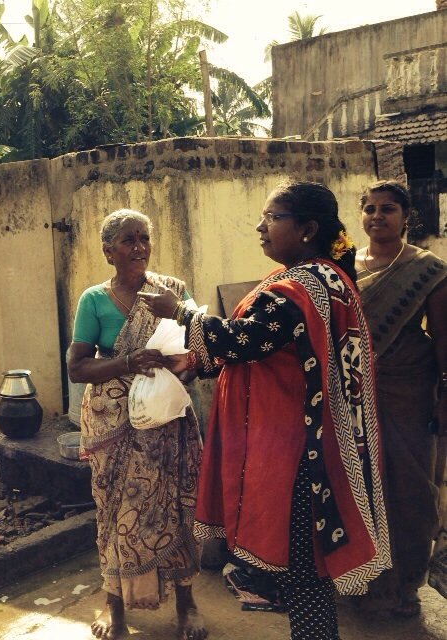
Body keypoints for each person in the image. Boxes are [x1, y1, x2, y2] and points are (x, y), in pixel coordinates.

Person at [139, 181, 391, 640]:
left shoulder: (297, 290)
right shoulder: (330, 279)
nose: (260, 226)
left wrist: (181, 312)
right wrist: (197, 359)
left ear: (308, 229)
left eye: (272, 218)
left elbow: (246, 340)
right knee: (305, 572)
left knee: (303, 572)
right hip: (320, 443)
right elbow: (270, 351)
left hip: (297, 453)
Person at [67, 209, 206, 640]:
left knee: (175, 506)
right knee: (113, 512)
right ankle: (115, 607)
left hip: (165, 420)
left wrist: (180, 371)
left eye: (144, 238)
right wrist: (128, 362)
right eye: (128, 240)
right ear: (109, 251)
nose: (139, 248)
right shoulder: (94, 299)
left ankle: (186, 604)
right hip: (112, 423)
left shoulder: (170, 294)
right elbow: (77, 368)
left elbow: (196, 353)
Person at [354, 180, 447, 615]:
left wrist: (442, 396)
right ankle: (364, 581)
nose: (377, 216)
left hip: (409, 386)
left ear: (407, 216)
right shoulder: (346, 266)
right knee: (360, 485)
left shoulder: (428, 269)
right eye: (370, 209)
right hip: (354, 392)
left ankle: (406, 583)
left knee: (410, 487)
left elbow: (444, 340)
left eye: (387, 209)